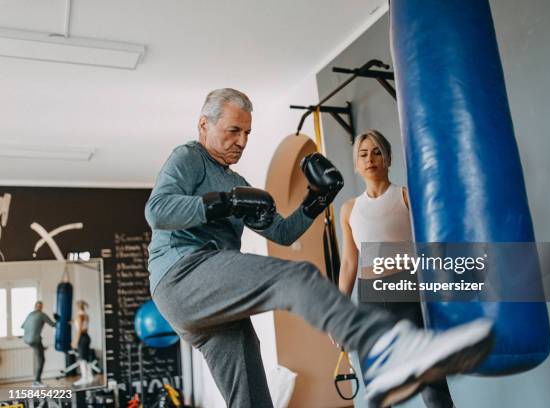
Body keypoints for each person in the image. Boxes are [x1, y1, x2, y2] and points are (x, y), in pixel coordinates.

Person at [145, 88, 494, 408]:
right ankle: (382, 346)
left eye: (247, 133)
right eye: (234, 131)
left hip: (207, 305)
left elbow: (281, 233)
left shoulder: (238, 183)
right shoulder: (190, 157)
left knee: (251, 400)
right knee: (295, 278)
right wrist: (221, 203)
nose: (242, 141)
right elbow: (157, 211)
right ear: (204, 124)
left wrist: (316, 200)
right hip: (182, 274)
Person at [339, 129, 455, 407]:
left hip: (409, 294)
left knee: (429, 377)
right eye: (363, 154)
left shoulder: (406, 197)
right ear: (356, 164)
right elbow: (348, 262)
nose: (370, 159)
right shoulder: (349, 209)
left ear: (388, 158)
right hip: (369, 299)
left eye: (377, 152)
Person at [21, 301, 56, 387]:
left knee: (39, 353)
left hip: (27, 340)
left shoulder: (30, 314)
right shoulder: (42, 315)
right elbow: (53, 324)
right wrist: (60, 320)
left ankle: (37, 380)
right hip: (35, 340)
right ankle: (36, 381)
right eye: (39, 306)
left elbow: (23, 326)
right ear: (39, 307)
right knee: (41, 359)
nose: (40, 308)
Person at [72, 300, 93, 386]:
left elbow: (80, 330)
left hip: (82, 337)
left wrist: (75, 341)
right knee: (86, 358)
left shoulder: (80, 316)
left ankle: (84, 378)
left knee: (82, 359)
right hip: (86, 337)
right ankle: (89, 377)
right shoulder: (85, 315)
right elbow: (82, 325)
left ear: (78, 306)